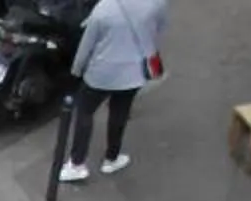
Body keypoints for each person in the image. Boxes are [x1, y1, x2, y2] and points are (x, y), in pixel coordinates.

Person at [57, 0, 169, 183]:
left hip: (101, 73)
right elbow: (160, 29)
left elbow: (87, 45)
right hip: (133, 73)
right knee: (120, 113)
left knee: (85, 111)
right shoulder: (157, 3)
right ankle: (112, 158)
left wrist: (76, 70)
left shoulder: (104, 8)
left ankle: (77, 164)